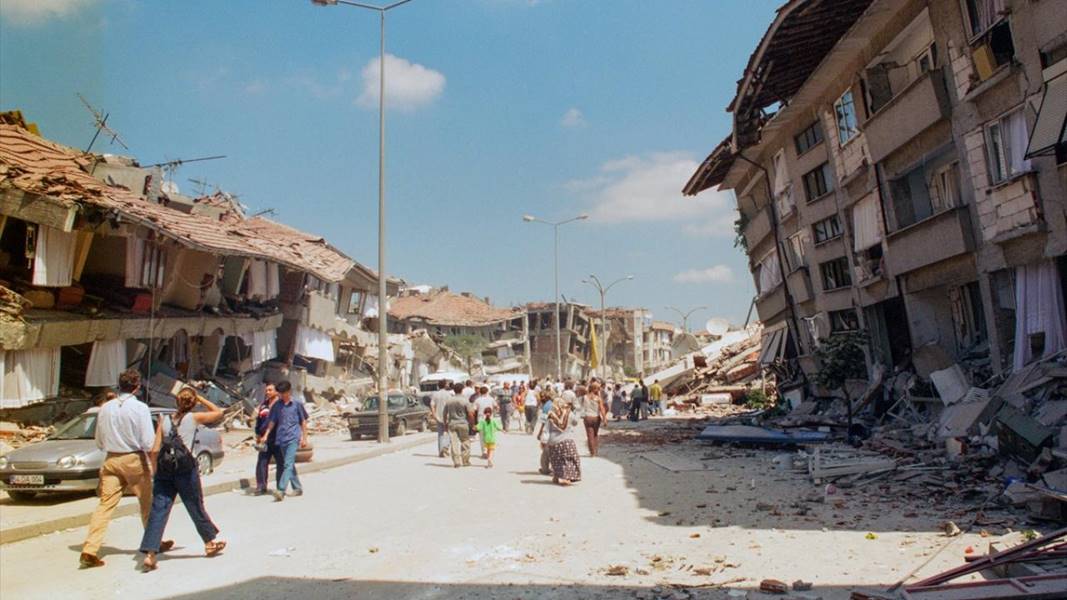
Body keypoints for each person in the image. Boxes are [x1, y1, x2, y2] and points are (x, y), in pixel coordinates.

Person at [80, 369, 165, 569]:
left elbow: (99, 441)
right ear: (137, 387)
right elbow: (147, 441)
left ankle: (90, 548)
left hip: (111, 459)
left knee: (105, 505)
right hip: (133, 458)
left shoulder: (106, 407)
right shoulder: (140, 408)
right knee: (147, 504)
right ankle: (153, 542)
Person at [139, 387, 226, 571]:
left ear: (176, 402)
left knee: (158, 511)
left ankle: (150, 554)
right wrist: (202, 398)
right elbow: (218, 412)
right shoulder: (194, 418)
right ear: (193, 403)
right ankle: (210, 542)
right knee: (195, 505)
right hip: (186, 470)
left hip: (164, 471)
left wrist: (155, 471)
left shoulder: (164, 420)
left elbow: (154, 450)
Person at [257, 380, 308, 501]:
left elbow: (303, 421)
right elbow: (272, 422)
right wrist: (266, 435)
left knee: (287, 464)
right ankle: (297, 487)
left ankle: (281, 490)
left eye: (283, 393)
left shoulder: (297, 404)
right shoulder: (277, 406)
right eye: (280, 393)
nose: (281, 396)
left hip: (293, 438)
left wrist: (304, 437)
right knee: (289, 464)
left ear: (289, 391)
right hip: (281, 439)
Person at [546, 393, 581, 485]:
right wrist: (578, 411)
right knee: (569, 459)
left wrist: (544, 441)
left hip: (553, 442)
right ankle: (567, 478)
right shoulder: (569, 414)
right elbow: (575, 422)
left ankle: (556, 476)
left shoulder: (551, 415)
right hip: (566, 440)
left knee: (556, 460)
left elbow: (547, 429)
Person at [253, 383, 279, 495]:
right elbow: (259, 421)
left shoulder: (280, 405)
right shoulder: (263, 406)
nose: (267, 392)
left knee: (282, 463)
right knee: (262, 462)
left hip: (277, 437)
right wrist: (258, 434)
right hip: (264, 438)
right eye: (266, 390)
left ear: (276, 392)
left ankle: (281, 486)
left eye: (270, 390)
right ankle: (261, 486)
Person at [444, 382, 472, 467]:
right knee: (465, 442)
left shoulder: (449, 400)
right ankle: (465, 461)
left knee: (454, 443)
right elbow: (470, 413)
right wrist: (472, 423)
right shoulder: (465, 400)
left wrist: (445, 424)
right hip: (463, 423)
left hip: (452, 423)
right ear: (462, 390)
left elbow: (444, 414)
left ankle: (456, 461)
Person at [580, 382, 608, 456]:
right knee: (595, 434)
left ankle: (592, 452)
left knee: (590, 435)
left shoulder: (585, 397)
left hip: (587, 417)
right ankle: (595, 451)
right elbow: (602, 409)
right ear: (595, 389)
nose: (599, 390)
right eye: (598, 389)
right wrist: (605, 419)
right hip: (596, 418)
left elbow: (581, 407)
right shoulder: (598, 398)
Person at [430, 380, 453, 458]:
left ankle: (441, 451)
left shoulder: (435, 394)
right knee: (448, 433)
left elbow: (432, 405)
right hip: (447, 416)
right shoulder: (448, 394)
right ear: (445, 386)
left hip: (438, 416)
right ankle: (445, 448)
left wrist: (433, 414)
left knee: (440, 434)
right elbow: (450, 405)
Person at [473, 386, 496, 458]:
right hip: (490, 419)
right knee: (489, 435)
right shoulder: (491, 399)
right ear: (487, 392)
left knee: (482, 436)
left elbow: (474, 410)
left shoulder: (477, 400)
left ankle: (484, 452)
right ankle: (489, 451)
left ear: (480, 392)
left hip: (481, 419)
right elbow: (496, 406)